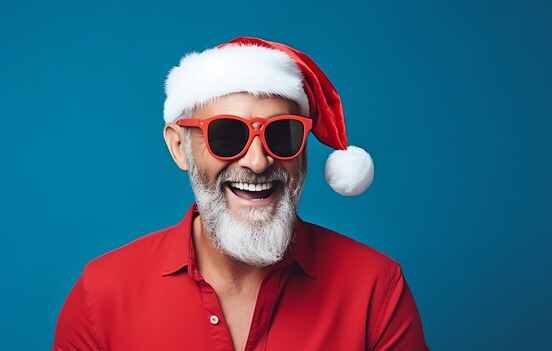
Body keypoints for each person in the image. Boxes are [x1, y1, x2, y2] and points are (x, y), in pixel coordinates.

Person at [53, 37, 429, 351]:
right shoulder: (101, 295)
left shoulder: (376, 288)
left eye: (282, 134)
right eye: (226, 135)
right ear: (180, 148)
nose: (258, 161)